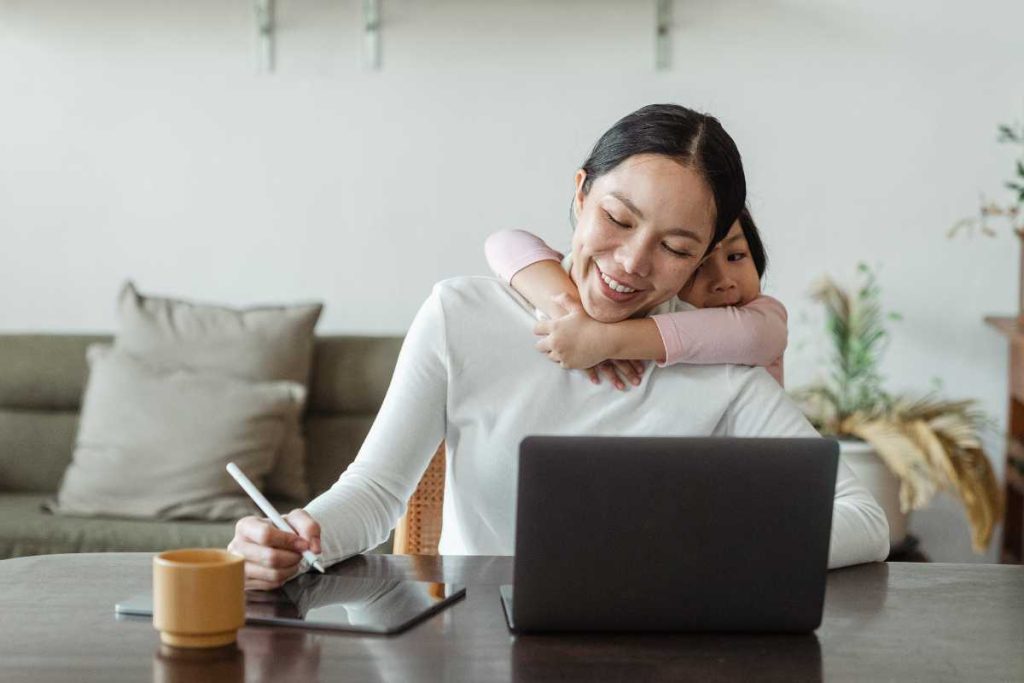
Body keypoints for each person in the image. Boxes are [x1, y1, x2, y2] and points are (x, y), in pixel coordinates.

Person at [229, 104, 889, 590]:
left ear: (702, 259)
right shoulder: (461, 316)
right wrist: (294, 535)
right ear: (579, 194)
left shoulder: (718, 365)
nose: (631, 262)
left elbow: (864, 519)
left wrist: (719, 546)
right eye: (618, 219)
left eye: (676, 247)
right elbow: (374, 493)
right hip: (476, 649)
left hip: (656, 655)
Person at [483, 207, 787, 389]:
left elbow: (753, 336)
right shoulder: (648, 307)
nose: (723, 281)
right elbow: (505, 242)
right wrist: (570, 313)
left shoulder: (763, 316)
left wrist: (605, 339)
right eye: (698, 266)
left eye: (737, 256)